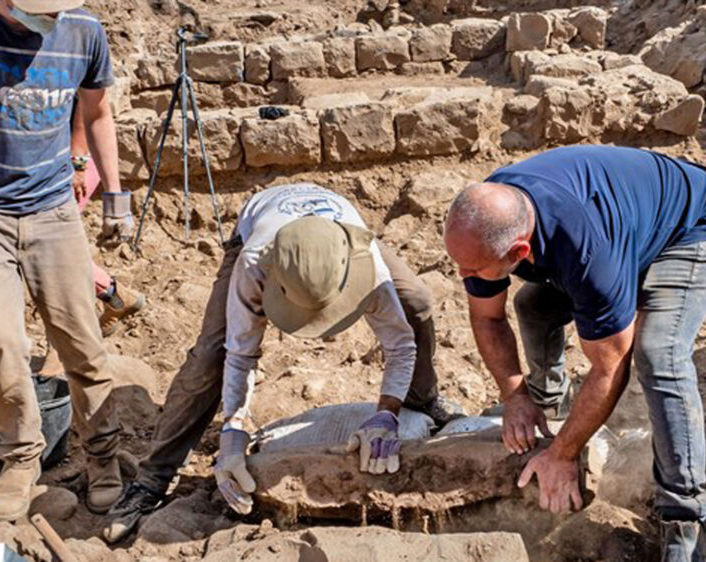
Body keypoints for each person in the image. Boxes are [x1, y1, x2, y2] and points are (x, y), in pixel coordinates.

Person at [102, 183, 464, 543]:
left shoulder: (363, 258)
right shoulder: (255, 261)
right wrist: (232, 431)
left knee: (415, 302)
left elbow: (400, 344)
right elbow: (240, 352)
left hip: (335, 235)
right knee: (210, 357)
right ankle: (153, 479)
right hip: (262, 222)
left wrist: (386, 413)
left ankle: (421, 397)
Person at [443, 146, 706, 562]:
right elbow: (488, 319)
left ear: (519, 253)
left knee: (658, 354)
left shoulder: (586, 253)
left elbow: (609, 366)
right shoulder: (491, 219)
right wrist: (515, 397)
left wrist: (564, 454)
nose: (462, 276)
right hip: (622, 224)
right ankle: (547, 401)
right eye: (460, 264)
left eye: (473, 270)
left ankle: (685, 517)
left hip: (692, 225)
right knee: (535, 307)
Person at [0, 0, 133, 521]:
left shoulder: (83, 28)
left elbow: (96, 109)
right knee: (3, 341)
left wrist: (115, 197)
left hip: (52, 208)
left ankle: (101, 455)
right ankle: (20, 457)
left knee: (80, 338)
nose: (50, 21)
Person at [38, 103, 146, 375]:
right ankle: (114, 294)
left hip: (73, 160)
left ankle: (60, 350)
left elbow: (87, 101)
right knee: (50, 249)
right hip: (46, 162)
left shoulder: (65, 61)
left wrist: (77, 162)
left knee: (51, 251)